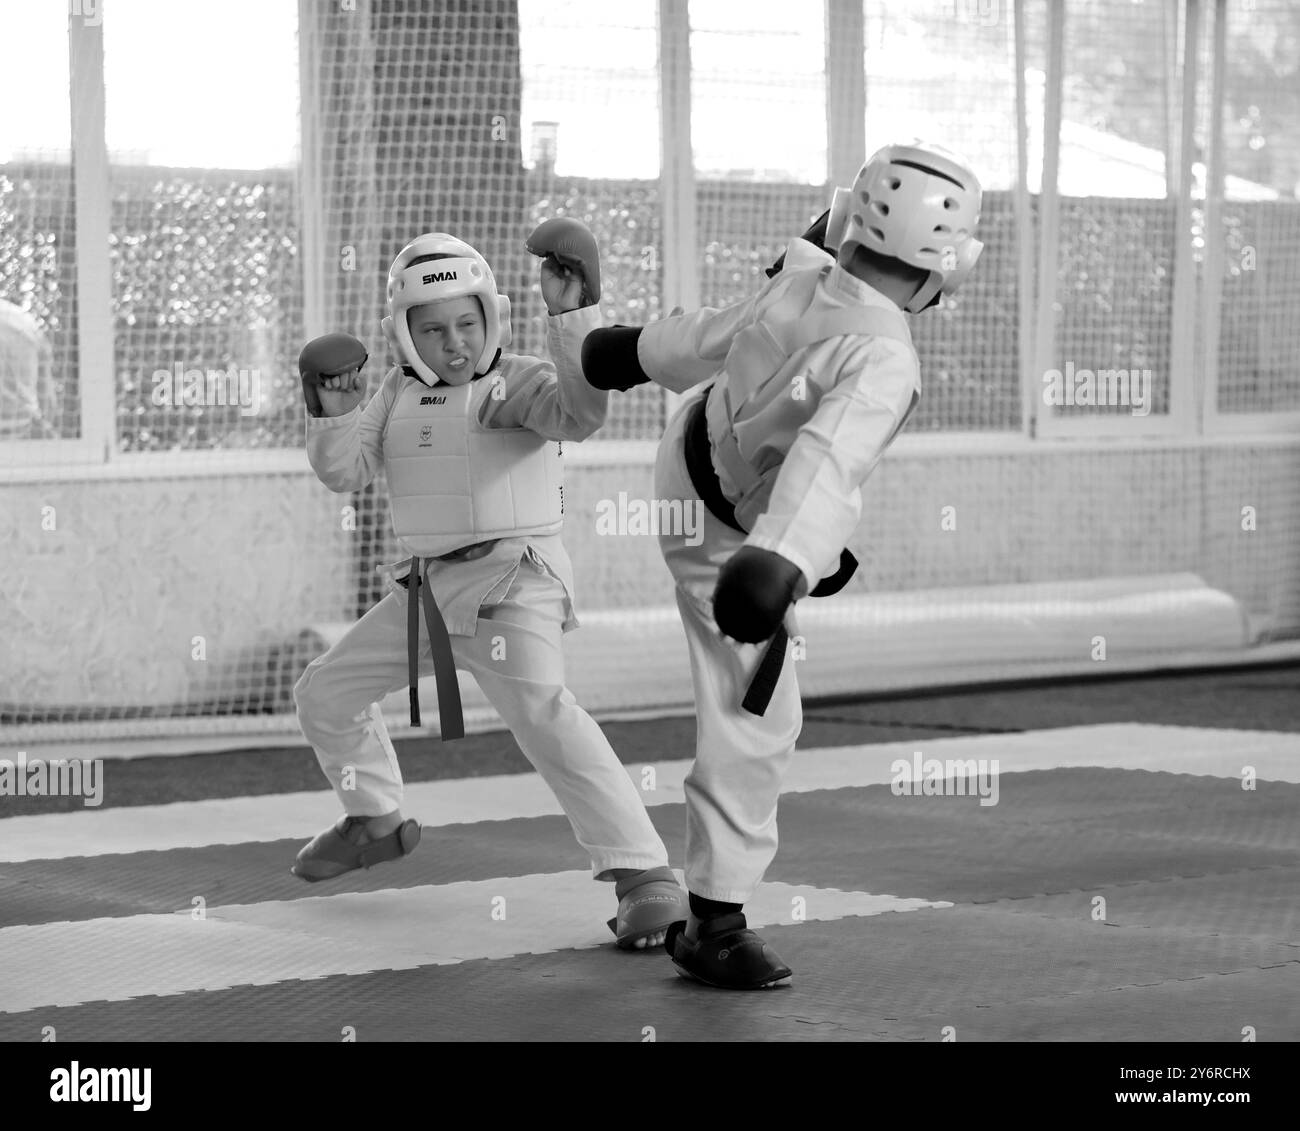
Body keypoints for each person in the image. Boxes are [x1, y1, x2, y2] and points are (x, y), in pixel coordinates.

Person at [579, 142, 985, 986]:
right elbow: (826, 466)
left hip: (687, 456)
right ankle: (714, 923)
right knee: (760, 716)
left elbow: (710, 338)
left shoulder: (800, 274)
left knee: (804, 526)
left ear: (846, 220)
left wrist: (627, 352)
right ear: (948, 269)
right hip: (721, 540)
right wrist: (781, 559)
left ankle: (802, 558)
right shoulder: (885, 359)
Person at [292, 221, 687, 950]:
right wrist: (332, 408)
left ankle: (648, 876)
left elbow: (580, 411)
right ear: (405, 336)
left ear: (492, 316)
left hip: (512, 581)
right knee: (324, 689)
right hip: (430, 593)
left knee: (544, 714)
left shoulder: (518, 381)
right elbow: (346, 471)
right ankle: (373, 818)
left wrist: (574, 317)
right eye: (434, 330)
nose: (455, 343)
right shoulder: (393, 394)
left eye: (467, 323)